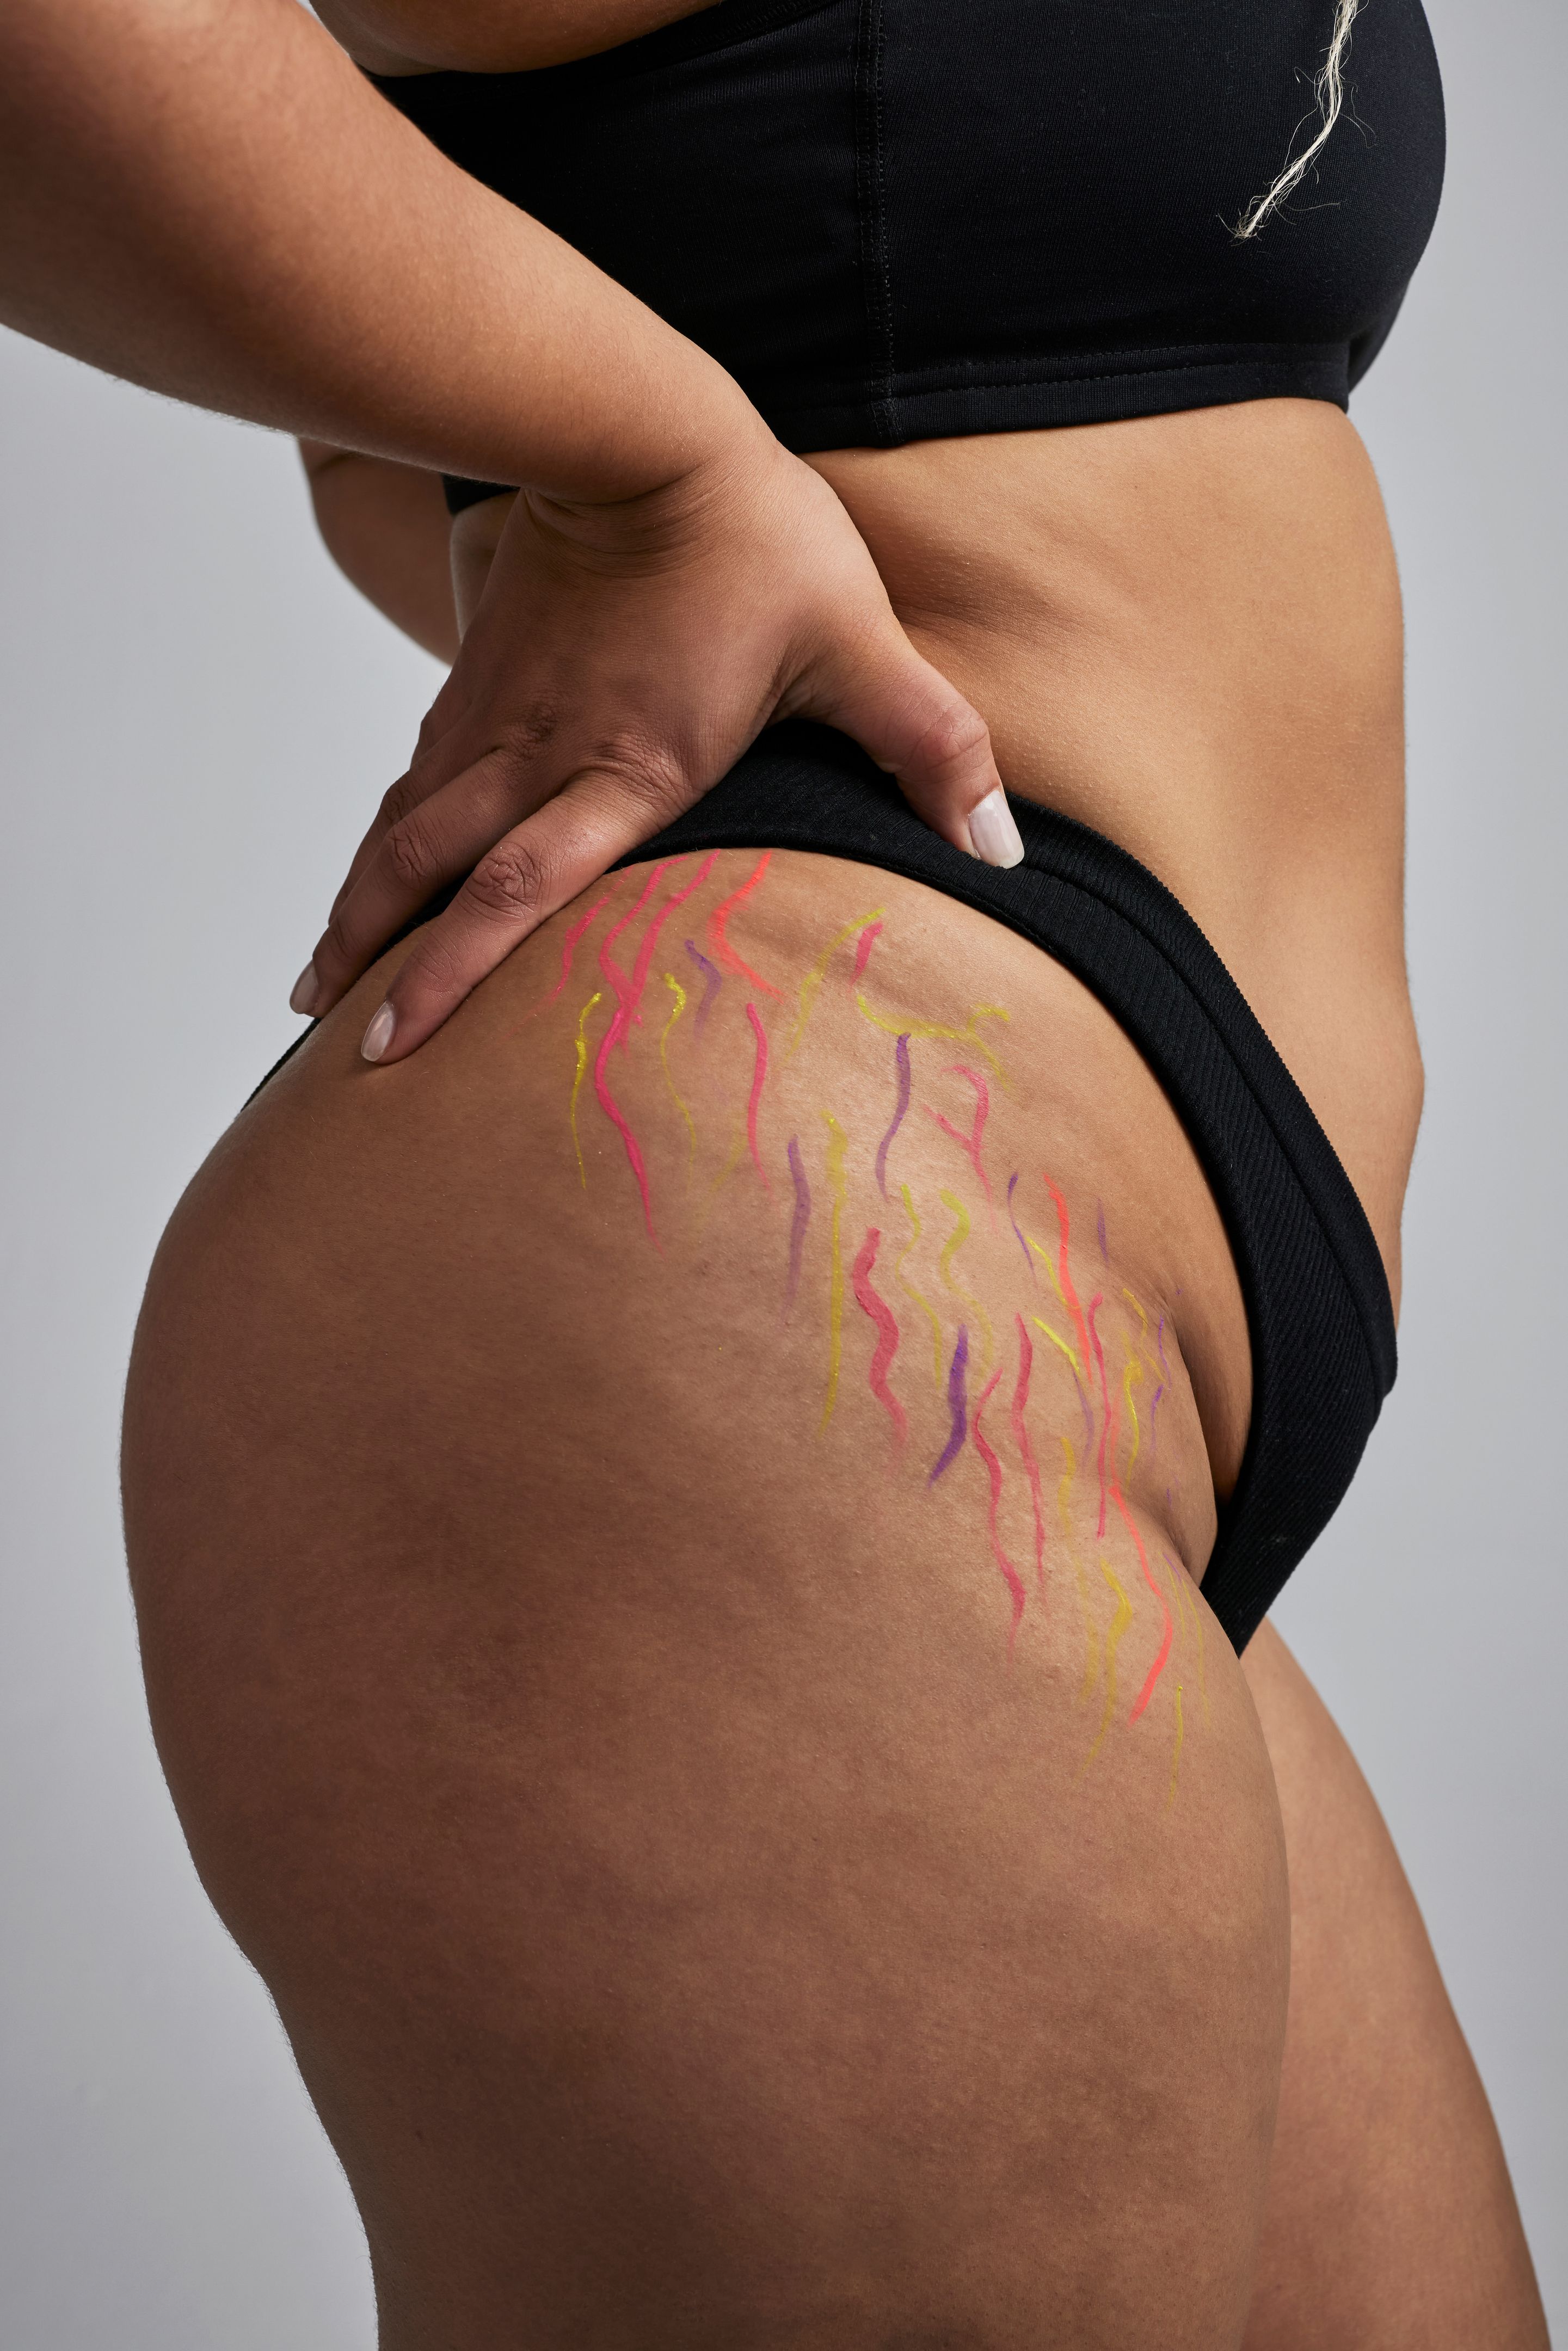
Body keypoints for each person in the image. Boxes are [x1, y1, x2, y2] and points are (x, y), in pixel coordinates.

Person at [4, 0, 1549, 2342]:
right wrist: (639, 462)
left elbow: (383, 395)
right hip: (766, 1258)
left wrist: (617, 472)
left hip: (1004, 1298)